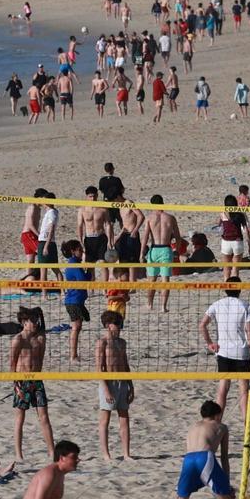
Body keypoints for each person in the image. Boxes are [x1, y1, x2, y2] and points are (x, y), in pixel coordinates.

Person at [169, 400, 236, 499]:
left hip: (188, 459)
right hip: (205, 458)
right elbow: (224, 458)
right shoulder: (222, 427)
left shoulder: (193, 427)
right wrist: (226, 481)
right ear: (217, 415)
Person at [200, 279, 250, 415]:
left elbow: (202, 325)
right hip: (241, 353)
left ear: (225, 289)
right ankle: (246, 429)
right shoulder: (245, 305)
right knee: (244, 393)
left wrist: (209, 344)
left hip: (223, 352)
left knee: (222, 390)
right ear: (240, 289)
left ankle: (216, 423)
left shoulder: (217, 304)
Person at [11, 306, 56, 462]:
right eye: (32, 321)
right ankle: (18, 454)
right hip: (21, 381)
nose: (35, 323)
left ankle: (52, 452)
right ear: (24, 322)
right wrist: (16, 386)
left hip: (37, 381)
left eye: (36, 320)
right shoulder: (18, 339)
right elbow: (12, 364)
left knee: (44, 417)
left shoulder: (40, 339)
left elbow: (41, 361)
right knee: (20, 418)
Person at [96, 310, 134, 461]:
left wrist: (131, 386)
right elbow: (99, 369)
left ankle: (126, 454)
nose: (119, 327)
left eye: (121, 324)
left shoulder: (122, 342)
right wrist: (106, 390)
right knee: (105, 419)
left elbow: (126, 364)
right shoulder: (102, 343)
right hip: (108, 382)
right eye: (117, 324)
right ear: (107, 325)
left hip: (122, 381)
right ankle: (106, 454)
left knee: (124, 417)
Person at [140, 195, 181, 312]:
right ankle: (163, 306)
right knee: (165, 280)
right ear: (162, 203)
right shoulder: (170, 218)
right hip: (166, 249)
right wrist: (176, 250)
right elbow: (178, 237)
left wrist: (141, 253)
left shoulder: (150, 218)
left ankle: (149, 304)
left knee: (151, 280)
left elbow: (145, 237)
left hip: (154, 249)